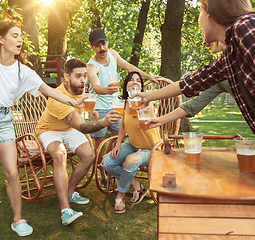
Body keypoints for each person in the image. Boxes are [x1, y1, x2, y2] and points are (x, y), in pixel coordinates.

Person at [132, 0, 255, 217]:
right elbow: (189, 84)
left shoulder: (246, 26)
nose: (198, 21)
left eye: (198, 11)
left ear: (208, 11)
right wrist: (147, 96)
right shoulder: (231, 56)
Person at [0, 20, 86, 238]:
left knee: (13, 173)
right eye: (15, 35)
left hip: (3, 119)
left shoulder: (22, 71)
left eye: (21, 36)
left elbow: (48, 90)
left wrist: (73, 102)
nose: (20, 39)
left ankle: (18, 219)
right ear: (1, 39)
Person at [35, 58, 121, 225]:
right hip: (49, 130)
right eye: (78, 76)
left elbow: (80, 109)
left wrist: (93, 110)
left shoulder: (80, 89)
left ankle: (69, 191)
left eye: (85, 76)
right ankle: (65, 210)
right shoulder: (56, 98)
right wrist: (103, 122)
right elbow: (81, 126)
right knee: (60, 156)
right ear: (66, 77)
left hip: (68, 129)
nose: (83, 80)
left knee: (89, 156)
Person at [86, 29, 160, 188]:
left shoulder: (113, 54)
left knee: (114, 140)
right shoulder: (91, 66)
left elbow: (129, 67)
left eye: (103, 43)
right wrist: (107, 90)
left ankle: (115, 167)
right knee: (99, 144)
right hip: (99, 108)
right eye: (97, 46)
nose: (102, 48)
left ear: (107, 42)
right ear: (92, 47)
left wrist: (148, 76)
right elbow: (96, 86)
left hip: (117, 105)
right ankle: (103, 172)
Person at [100, 71, 161, 213]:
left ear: (141, 87)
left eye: (138, 80)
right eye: (131, 80)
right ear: (126, 85)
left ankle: (120, 195)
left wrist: (142, 108)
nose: (135, 82)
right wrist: (117, 143)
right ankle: (136, 185)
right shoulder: (125, 103)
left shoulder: (147, 102)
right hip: (132, 144)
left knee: (130, 161)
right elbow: (123, 125)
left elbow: (147, 109)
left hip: (151, 148)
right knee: (106, 163)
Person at [147, 41, 232, 129]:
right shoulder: (219, 72)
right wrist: (160, 120)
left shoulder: (244, 50)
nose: (204, 42)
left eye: (204, 31)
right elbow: (192, 105)